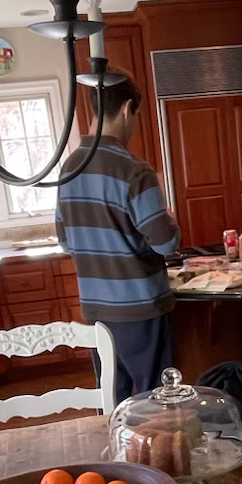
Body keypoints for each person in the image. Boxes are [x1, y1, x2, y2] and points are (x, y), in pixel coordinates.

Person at [55, 71, 181, 403]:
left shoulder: (69, 169)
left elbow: (66, 241)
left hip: (97, 311)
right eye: (136, 115)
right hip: (141, 308)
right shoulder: (134, 171)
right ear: (127, 109)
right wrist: (169, 219)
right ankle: (153, 457)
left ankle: (115, 454)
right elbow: (166, 244)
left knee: (112, 399)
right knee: (158, 401)